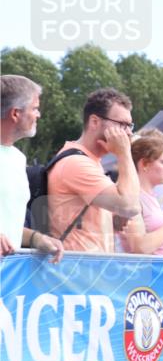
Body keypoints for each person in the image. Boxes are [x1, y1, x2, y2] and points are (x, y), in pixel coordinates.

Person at [47, 88, 141, 253]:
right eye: (122, 125)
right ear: (95, 122)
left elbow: (125, 211)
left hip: (88, 271)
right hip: (74, 271)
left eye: (130, 125)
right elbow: (130, 206)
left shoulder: (91, 161)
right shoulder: (76, 163)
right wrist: (124, 153)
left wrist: (114, 217)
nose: (129, 133)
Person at [0, 74, 62, 262]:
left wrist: (36, 238)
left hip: (8, 280)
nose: (38, 115)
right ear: (15, 113)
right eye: (35, 108)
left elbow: (8, 224)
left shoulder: (18, 159)